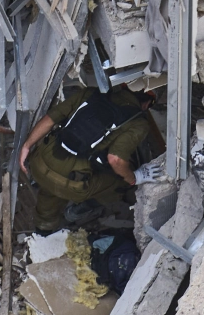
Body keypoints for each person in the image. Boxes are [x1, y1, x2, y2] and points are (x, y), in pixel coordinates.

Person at [16, 84, 158, 232]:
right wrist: (134, 178)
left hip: (39, 162)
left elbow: (51, 118)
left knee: (51, 186)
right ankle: (82, 209)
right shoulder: (138, 123)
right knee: (121, 181)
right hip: (72, 184)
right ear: (147, 103)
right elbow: (115, 159)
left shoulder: (89, 94)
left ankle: (43, 228)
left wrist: (27, 146)